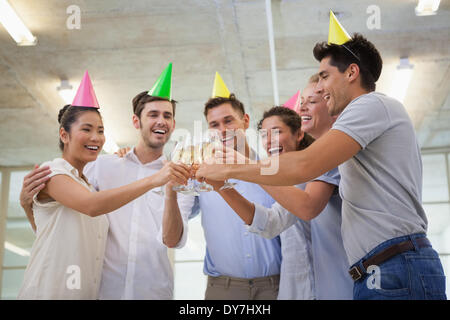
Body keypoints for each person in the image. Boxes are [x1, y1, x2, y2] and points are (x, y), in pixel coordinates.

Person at [196, 34, 447, 300]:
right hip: (380, 269)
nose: (321, 88)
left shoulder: (370, 105)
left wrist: (233, 165)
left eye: (324, 77)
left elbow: (305, 175)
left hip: (395, 264)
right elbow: (275, 218)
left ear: (352, 72)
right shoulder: (343, 144)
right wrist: (225, 181)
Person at [20, 65, 196, 300]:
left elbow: (66, 228)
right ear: (136, 121)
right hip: (92, 292)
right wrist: (27, 204)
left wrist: (169, 188)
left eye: (167, 115)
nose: (95, 137)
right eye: (153, 114)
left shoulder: (178, 177)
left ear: (174, 124)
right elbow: (88, 207)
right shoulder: (90, 169)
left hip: (149, 292)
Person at [195, 91, 282, 300]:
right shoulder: (201, 176)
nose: (223, 130)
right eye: (214, 125)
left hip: (275, 287)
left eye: (228, 121)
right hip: (223, 290)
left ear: (245, 121)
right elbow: (175, 225)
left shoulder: (272, 170)